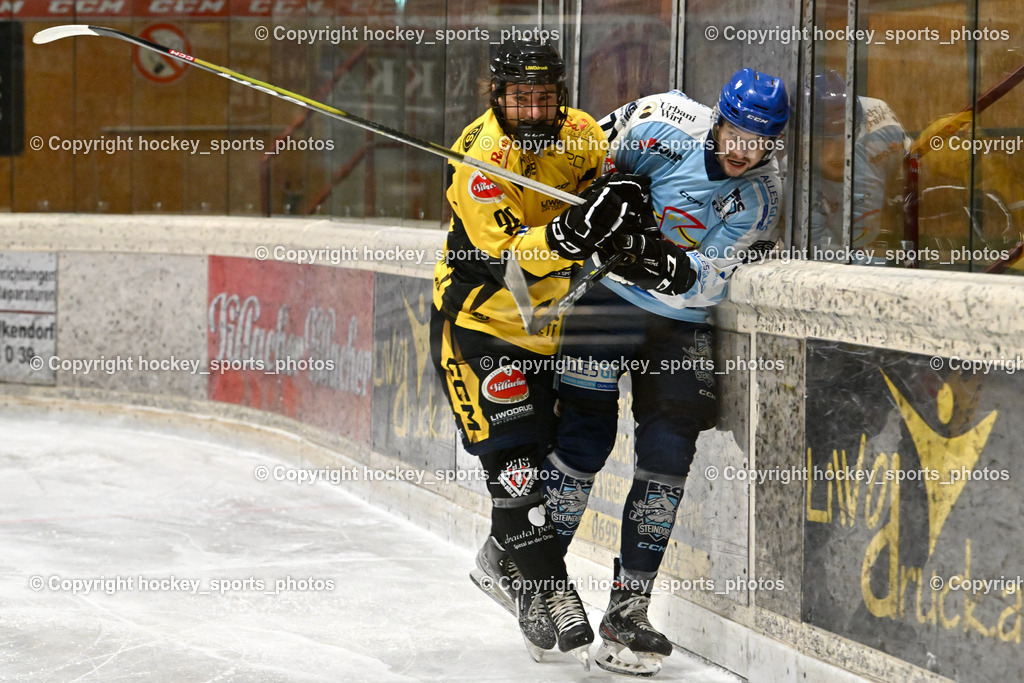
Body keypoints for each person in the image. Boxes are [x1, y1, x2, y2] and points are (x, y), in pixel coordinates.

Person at [534, 69, 790, 676]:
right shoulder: (662, 120)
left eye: (759, 142)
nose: (742, 151)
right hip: (604, 304)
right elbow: (582, 158)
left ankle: (629, 609)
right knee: (583, 439)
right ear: (719, 118)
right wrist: (608, 193)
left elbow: (704, 276)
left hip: (681, 323)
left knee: (670, 451)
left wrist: (657, 257)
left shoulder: (761, 198)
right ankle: (539, 579)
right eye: (736, 133)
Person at [429, 39, 647, 665]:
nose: (532, 111)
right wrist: (573, 231)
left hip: (554, 331)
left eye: (544, 98)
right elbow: (511, 259)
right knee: (516, 462)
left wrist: (621, 206)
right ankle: (552, 588)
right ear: (495, 97)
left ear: (562, 96)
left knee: (558, 457)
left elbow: (605, 195)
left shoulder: (580, 135)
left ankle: (505, 563)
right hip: (483, 327)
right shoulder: (480, 161)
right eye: (520, 99)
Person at [809, 69, 910, 263]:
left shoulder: (872, 141)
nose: (838, 152)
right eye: (826, 141)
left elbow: (860, 242)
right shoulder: (788, 150)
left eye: (843, 138)